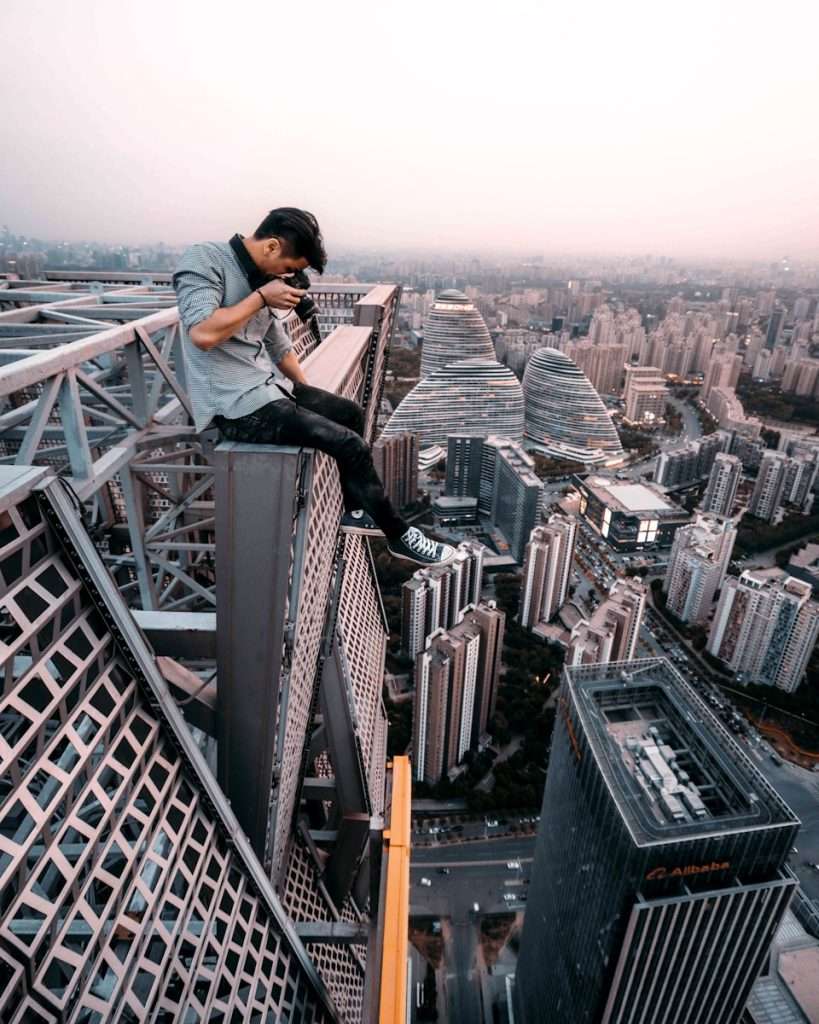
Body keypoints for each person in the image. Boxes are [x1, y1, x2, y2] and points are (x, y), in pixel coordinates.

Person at [173, 207, 454, 566]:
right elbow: (202, 334)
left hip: (269, 389)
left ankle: (353, 512)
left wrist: (307, 397)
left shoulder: (261, 279)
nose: (290, 277)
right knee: (347, 444)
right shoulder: (205, 259)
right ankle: (400, 537)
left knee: (349, 414)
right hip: (231, 407)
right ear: (272, 246)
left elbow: (277, 345)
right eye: (290, 268)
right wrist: (261, 298)